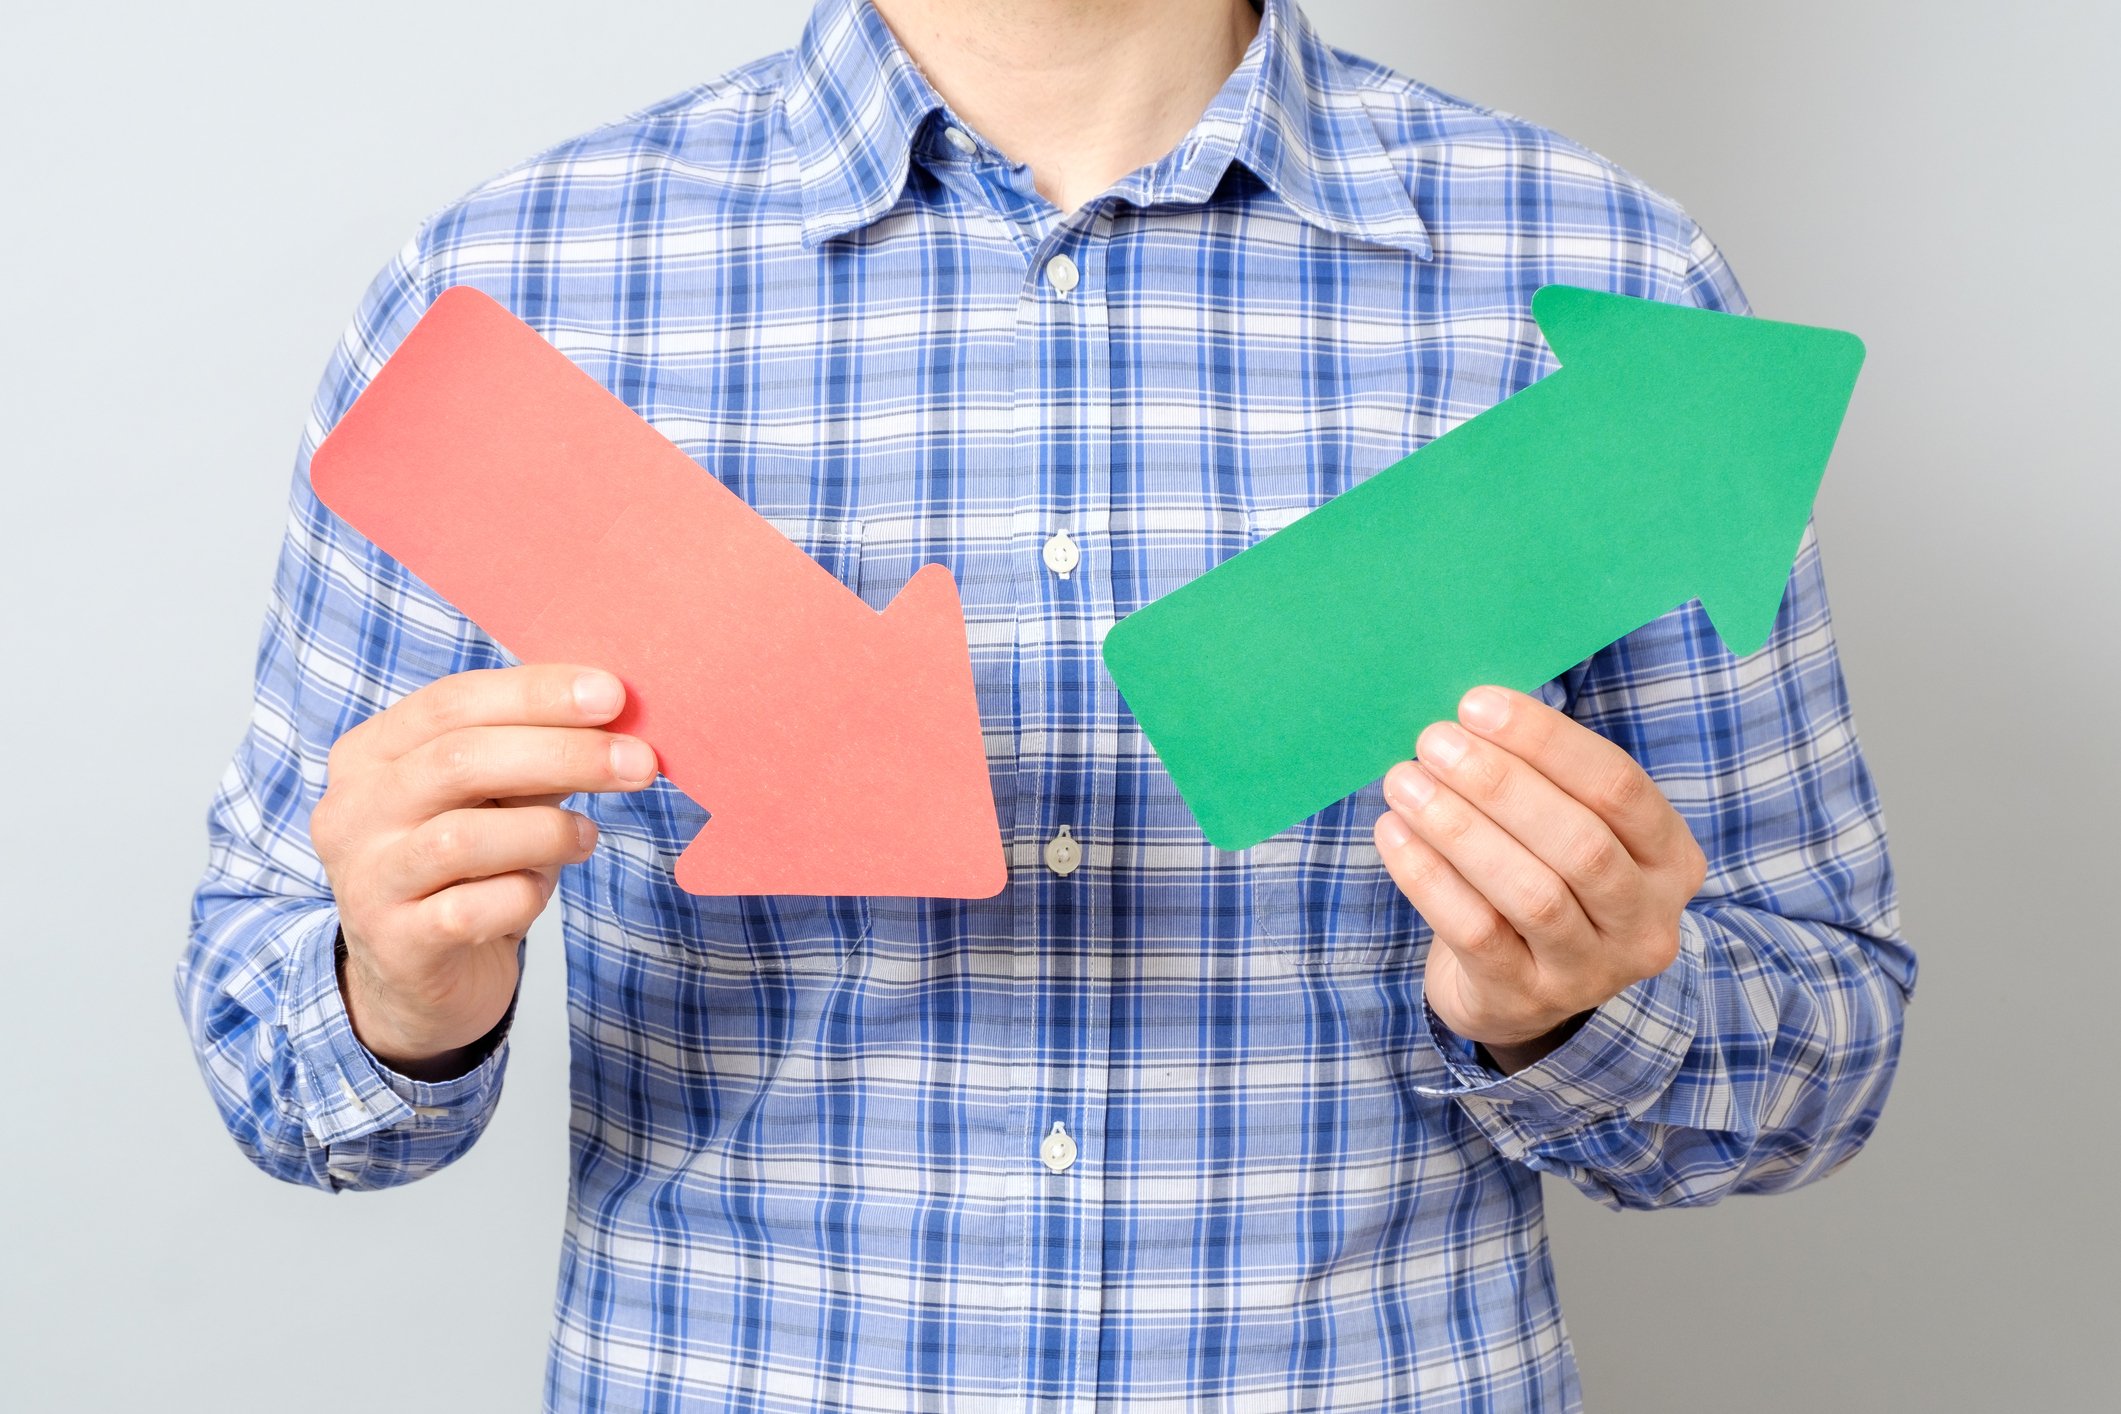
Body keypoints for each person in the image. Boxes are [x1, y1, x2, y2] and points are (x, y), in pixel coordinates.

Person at [177, 0, 1916, 1407]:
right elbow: (273, 1043)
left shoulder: (1602, 281)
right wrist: (396, 987)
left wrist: (1571, 1009)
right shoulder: (513, 295)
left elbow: (1825, 1041)